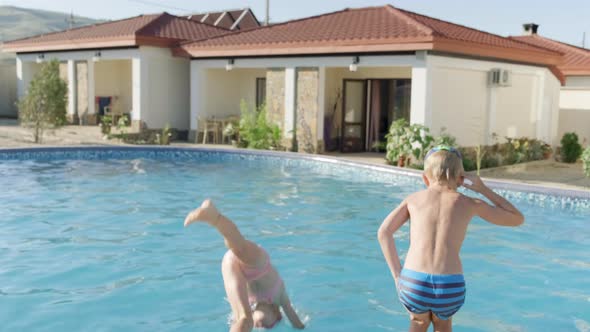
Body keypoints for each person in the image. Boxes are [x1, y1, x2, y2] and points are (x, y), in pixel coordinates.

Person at [377, 146, 524, 332]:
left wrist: (397, 275)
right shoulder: (470, 203)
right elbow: (517, 218)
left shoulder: (413, 200)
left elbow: (384, 232)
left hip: (413, 283)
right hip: (449, 286)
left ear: (424, 177)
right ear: (461, 179)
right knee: (443, 325)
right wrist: (483, 189)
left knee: (419, 323)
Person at [184, 199, 305, 332]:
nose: (260, 325)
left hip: (233, 268)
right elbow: (296, 322)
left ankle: (214, 217)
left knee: (243, 319)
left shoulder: (250, 308)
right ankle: (215, 218)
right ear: (277, 314)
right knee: (239, 247)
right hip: (260, 266)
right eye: (267, 325)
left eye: (260, 326)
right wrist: (300, 326)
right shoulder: (280, 297)